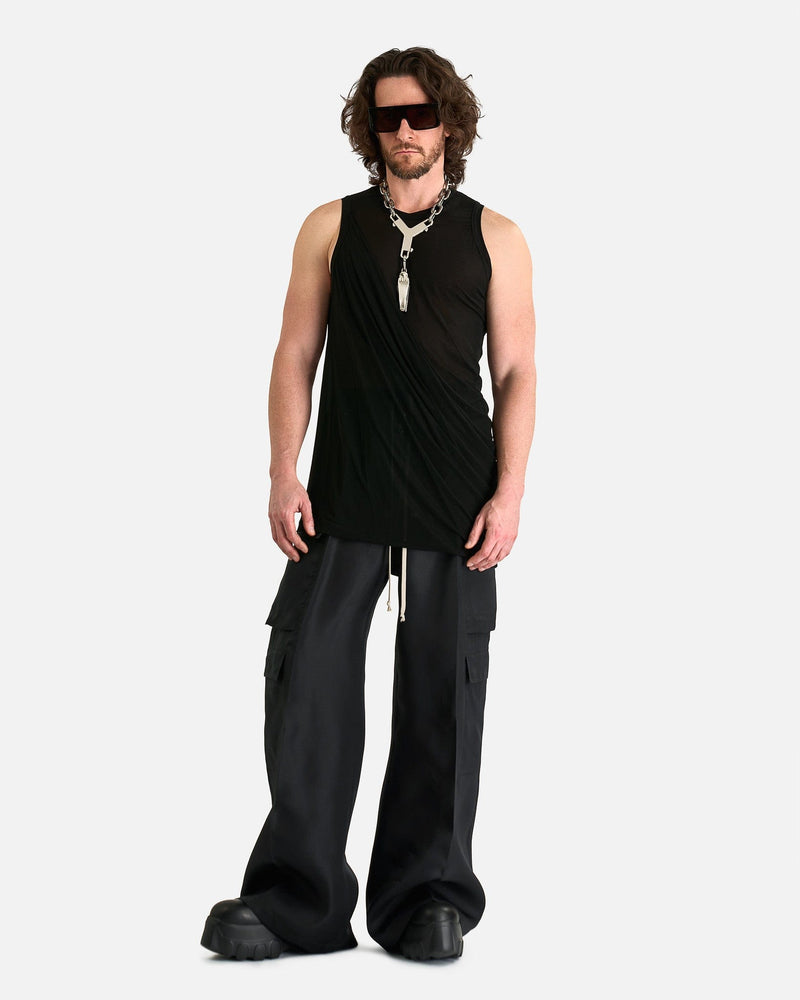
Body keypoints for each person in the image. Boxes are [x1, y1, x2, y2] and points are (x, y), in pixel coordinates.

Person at [201, 45, 537, 962]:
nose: (406, 131)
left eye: (422, 114)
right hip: (343, 492)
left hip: (455, 498)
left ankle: (425, 899)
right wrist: (283, 470)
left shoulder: (497, 236)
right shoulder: (329, 227)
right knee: (306, 684)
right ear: (370, 128)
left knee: (442, 699)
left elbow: (515, 371)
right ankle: (297, 899)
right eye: (389, 116)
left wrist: (510, 492)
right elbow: (293, 355)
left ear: (449, 122)